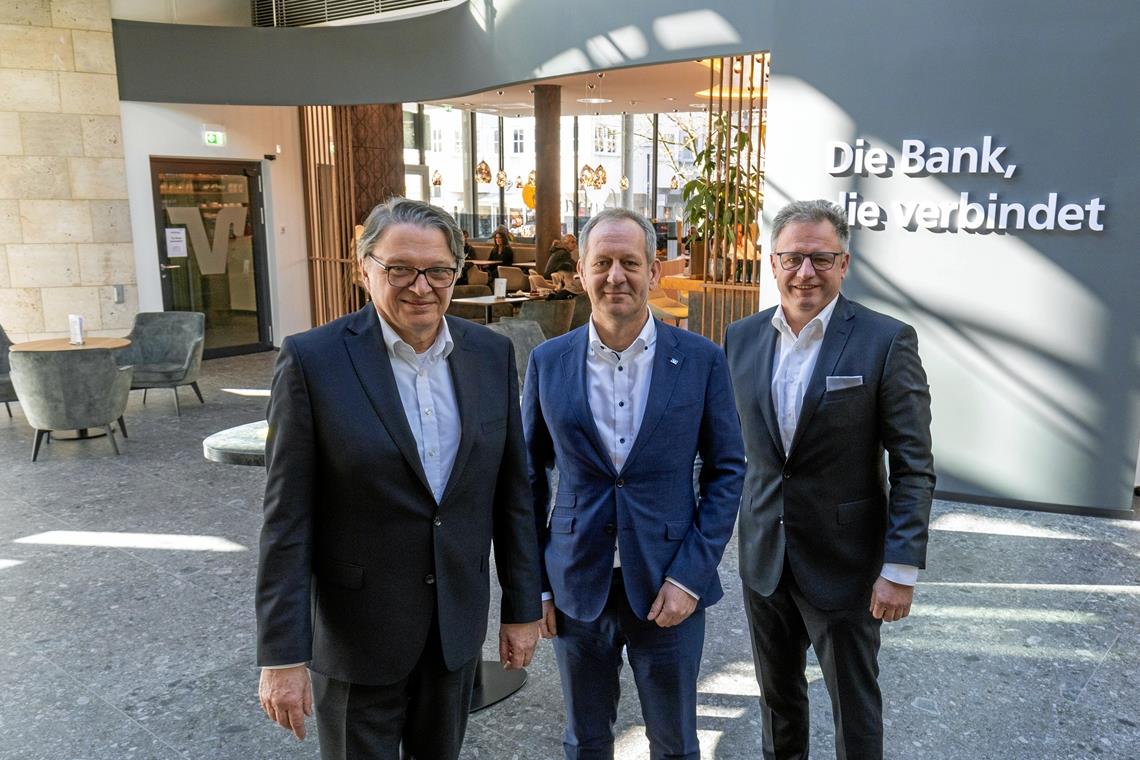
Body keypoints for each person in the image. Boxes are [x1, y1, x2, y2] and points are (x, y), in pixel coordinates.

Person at [256, 197, 542, 760]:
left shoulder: (490, 354)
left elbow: (513, 496)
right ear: (365, 270)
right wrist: (282, 655)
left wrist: (521, 608)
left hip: (454, 631)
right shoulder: (312, 361)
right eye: (400, 270)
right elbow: (287, 520)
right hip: (357, 637)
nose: (421, 286)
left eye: (439, 271)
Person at [523, 207, 746, 759]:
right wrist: (537, 587)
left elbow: (727, 471)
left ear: (654, 272)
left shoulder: (701, 360)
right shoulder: (548, 362)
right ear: (581, 270)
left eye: (630, 262)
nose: (615, 276)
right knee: (585, 738)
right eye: (603, 262)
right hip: (577, 584)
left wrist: (692, 576)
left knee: (674, 741)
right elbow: (527, 477)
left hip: (669, 583)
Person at [724, 199, 935, 760]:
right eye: (792, 258)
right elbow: (731, 450)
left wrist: (900, 567)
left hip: (846, 563)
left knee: (854, 707)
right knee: (777, 703)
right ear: (772, 263)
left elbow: (913, 466)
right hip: (765, 556)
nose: (805, 272)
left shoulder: (886, 340)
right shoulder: (740, 338)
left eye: (821, 258)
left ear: (844, 264)